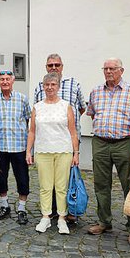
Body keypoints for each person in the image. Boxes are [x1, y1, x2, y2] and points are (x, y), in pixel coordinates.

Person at [86, 58, 130, 246]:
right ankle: (104, 221)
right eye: (106, 68)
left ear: (122, 70)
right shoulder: (95, 91)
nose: (109, 71)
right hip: (100, 142)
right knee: (101, 184)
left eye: (112, 68)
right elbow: (92, 114)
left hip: (124, 142)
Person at [33, 53, 86, 222]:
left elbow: (82, 108)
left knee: (67, 179)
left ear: (62, 66)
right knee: (48, 182)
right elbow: (36, 116)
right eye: (50, 65)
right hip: (46, 142)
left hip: (67, 140)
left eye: (57, 65)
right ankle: (51, 212)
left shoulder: (73, 84)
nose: (54, 67)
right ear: (46, 67)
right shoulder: (39, 88)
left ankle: (69, 211)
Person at [26, 72, 79, 234]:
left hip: (63, 150)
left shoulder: (66, 106)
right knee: (45, 186)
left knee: (61, 186)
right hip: (43, 151)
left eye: (53, 85)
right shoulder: (38, 107)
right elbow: (32, 132)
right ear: (43, 87)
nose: (50, 88)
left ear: (58, 87)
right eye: (47, 85)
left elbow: (72, 132)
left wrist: (75, 153)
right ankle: (46, 217)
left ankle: (62, 218)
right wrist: (29, 151)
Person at [0, 70, 31, 224]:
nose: (5, 82)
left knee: (22, 178)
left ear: (13, 81)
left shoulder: (22, 99)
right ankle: (5, 205)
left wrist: (28, 147)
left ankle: (21, 208)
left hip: (19, 146)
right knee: (1, 178)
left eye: (8, 79)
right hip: (0, 146)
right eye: (2, 79)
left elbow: (27, 121)